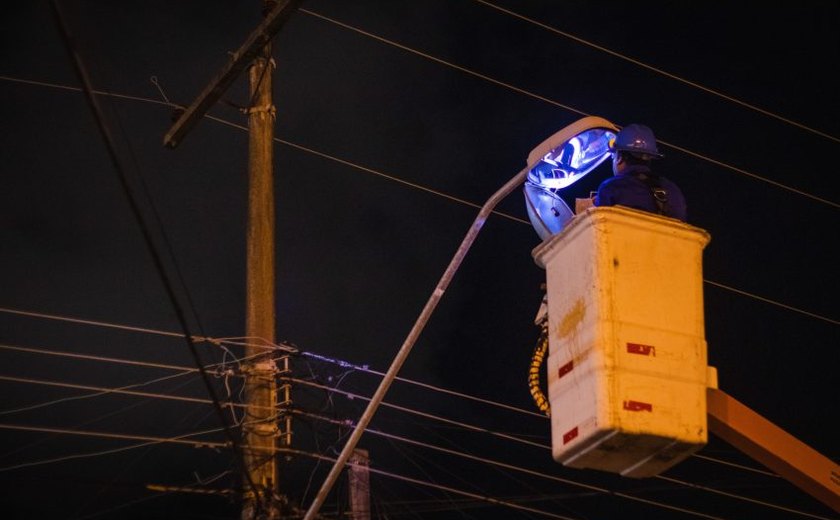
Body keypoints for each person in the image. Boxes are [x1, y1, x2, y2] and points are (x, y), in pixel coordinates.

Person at [594, 124, 687, 222]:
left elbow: (599, 227)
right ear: (649, 158)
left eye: (613, 156)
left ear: (619, 158)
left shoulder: (611, 187)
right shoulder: (673, 190)